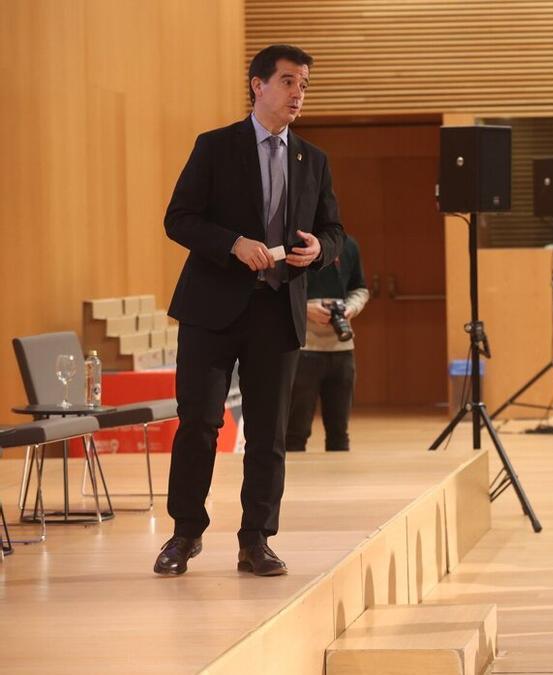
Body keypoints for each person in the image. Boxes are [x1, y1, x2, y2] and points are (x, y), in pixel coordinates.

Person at [156, 44, 345, 577]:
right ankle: (184, 533)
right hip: (211, 310)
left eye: (304, 84)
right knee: (198, 423)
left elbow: (334, 230)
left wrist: (320, 251)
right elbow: (179, 219)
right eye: (288, 82)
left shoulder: (314, 159)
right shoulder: (215, 147)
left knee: (268, 433)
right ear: (258, 86)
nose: (297, 93)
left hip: (277, 311)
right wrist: (233, 243)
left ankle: (256, 539)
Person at [286, 234, 368, 452]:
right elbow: (274, 289)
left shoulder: (348, 244)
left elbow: (360, 288)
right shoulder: (290, 244)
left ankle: (340, 483)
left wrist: (350, 308)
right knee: (296, 431)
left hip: (342, 347)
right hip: (304, 347)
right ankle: (290, 484)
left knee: (339, 432)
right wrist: (305, 308)